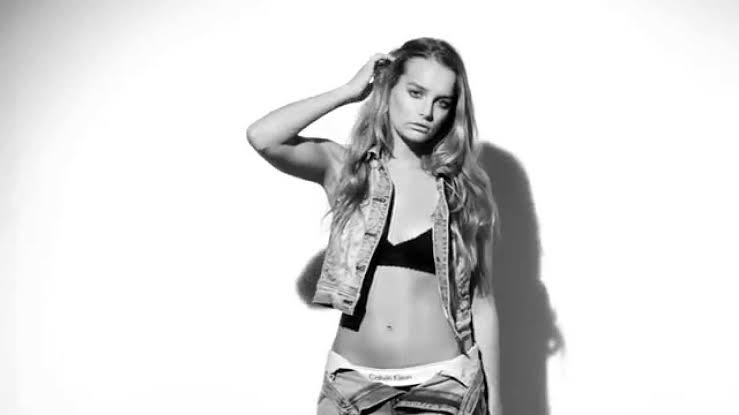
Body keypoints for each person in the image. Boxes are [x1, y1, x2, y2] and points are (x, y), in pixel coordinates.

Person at [247, 37, 501, 415]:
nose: (427, 112)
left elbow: (482, 302)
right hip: (351, 384)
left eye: (442, 102)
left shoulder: (462, 190)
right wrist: (348, 92)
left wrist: (497, 406)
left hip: (443, 383)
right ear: (389, 88)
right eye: (415, 92)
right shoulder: (346, 170)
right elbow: (263, 137)